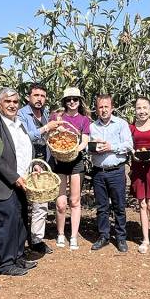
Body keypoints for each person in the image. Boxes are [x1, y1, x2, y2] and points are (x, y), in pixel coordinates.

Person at [0, 87, 37, 274]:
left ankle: (18, 257)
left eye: (15, 102)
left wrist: (34, 165)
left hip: (22, 181)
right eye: (8, 101)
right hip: (3, 185)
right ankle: (5, 263)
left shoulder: (19, 124)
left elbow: (24, 150)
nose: (12, 105)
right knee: (6, 223)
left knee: (21, 220)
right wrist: (14, 178)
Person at [18, 82, 60, 255]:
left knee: (41, 203)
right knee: (20, 204)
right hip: (25, 163)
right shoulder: (21, 114)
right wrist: (45, 128)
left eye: (42, 96)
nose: (39, 99)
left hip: (43, 163)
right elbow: (24, 137)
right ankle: (19, 239)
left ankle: (36, 239)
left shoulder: (47, 114)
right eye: (36, 95)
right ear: (29, 97)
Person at [89, 94, 134, 252]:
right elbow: (90, 147)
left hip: (116, 171)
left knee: (119, 206)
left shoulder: (121, 124)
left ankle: (121, 237)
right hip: (99, 172)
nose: (103, 110)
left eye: (106, 106)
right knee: (102, 207)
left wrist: (111, 147)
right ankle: (104, 236)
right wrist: (94, 148)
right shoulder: (93, 126)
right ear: (96, 109)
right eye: (100, 107)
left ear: (112, 108)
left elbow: (128, 144)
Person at [52, 87, 92, 249]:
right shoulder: (57, 116)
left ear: (79, 101)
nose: (72, 102)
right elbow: (50, 136)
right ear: (64, 102)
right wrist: (57, 130)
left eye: (75, 99)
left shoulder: (84, 120)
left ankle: (73, 236)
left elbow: (85, 141)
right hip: (59, 161)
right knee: (61, 203)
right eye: (69, 99)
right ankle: (61, 233)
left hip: (76, 162)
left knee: (75, 200)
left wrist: (74, 149)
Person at [130, 97, 150, 253]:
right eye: (138, 108)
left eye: (145, 108)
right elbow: (129, 145)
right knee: (142, 203)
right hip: (137, 166)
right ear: (135, 110)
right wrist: (132, 154)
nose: (142, 111)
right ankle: (145, 239)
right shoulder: (131, 127)